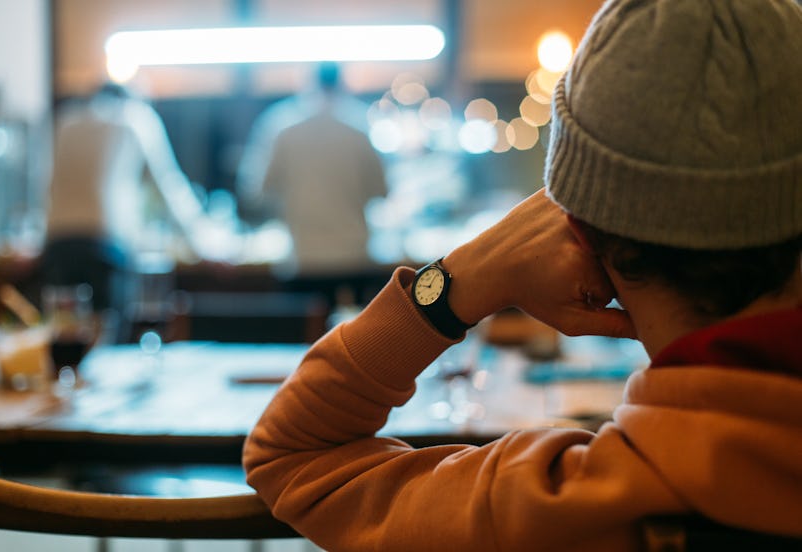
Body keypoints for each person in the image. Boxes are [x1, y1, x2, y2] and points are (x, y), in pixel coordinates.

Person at [244, 0, 802, 550]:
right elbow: (381, 192)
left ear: (581, 232)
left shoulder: (556, 507)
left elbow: (291, 452)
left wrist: (464, 274)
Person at [40, 82, 209, 341]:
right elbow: (168, 186)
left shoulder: (67, 121)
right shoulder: (136, 118)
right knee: (107, 340)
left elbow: (50, 186)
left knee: (64, 334)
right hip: (105, 242)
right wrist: (203, 244)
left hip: (57, 243)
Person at [237, 62, 388, 304]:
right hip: (355, 260)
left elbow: (258, 191)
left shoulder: (281, 126)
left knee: (305, 338)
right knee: (355, 339)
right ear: (342, 84)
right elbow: (381, 191)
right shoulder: (360, 127)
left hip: (302, 261)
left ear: (308, 83)